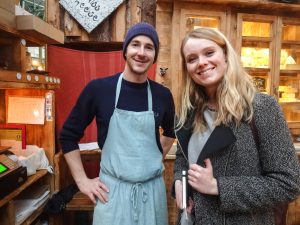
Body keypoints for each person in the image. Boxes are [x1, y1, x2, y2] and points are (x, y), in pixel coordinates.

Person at [173, 27, 300, 225]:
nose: (201, 63)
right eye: (192, 59)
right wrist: (178, 182)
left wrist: (217, 186)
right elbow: (183, 157)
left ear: (225, 55)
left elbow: (288, 184)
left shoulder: (261, 108)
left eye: (209, 53)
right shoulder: (188, 111)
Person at [60, 22, 175, 225]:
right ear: (125, 50)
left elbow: (171, 131)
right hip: (111, 193)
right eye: (135, 45)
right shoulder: (98, 89)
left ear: (154, 56)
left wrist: (155, 159)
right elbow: (68, 135)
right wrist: (82, 181)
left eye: (149, 47)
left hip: (152, 194)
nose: (141, 52)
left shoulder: (163, 95)